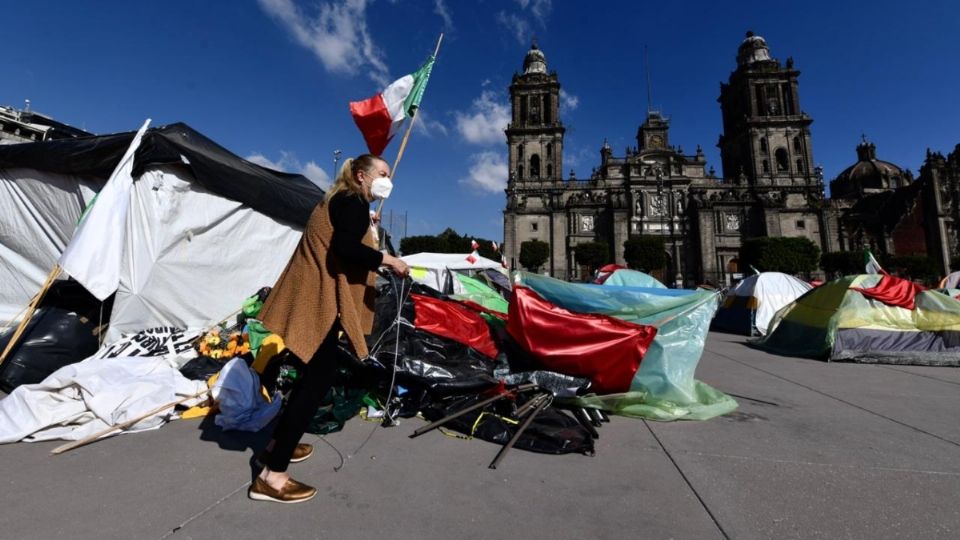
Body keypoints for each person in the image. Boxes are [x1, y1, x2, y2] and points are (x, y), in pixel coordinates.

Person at [248, 154, 409, 504]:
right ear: (362, 176)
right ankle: (271, 476)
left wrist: (366, 229)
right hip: (318, 303)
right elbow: (345, 248)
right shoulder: (351, 201)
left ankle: (276, 447)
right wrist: (389, 259)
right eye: (383, 174)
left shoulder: (343, 200)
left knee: (310, 378)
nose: (388, 181)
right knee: (316, 383)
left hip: (312, 297)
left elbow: (344, 240)